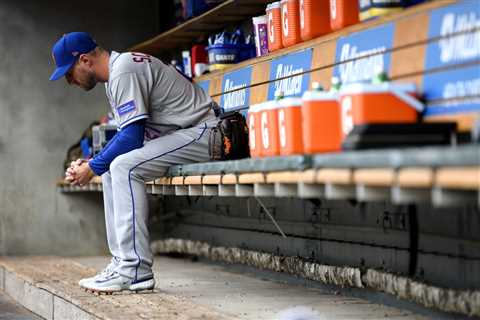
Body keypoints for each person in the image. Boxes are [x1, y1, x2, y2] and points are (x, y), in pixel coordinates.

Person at [50, 32, 217, 293]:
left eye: (69, 73)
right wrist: (93, 163)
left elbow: (132, 137)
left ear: (84, 60)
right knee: (110, 169)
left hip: (206, 132)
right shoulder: (117, 74)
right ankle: (121, 264)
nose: (69, 81)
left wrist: (92, 166)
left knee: (122, 167)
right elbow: (130, 133)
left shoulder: (124, 70)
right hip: (184, 134)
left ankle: (134, 269)